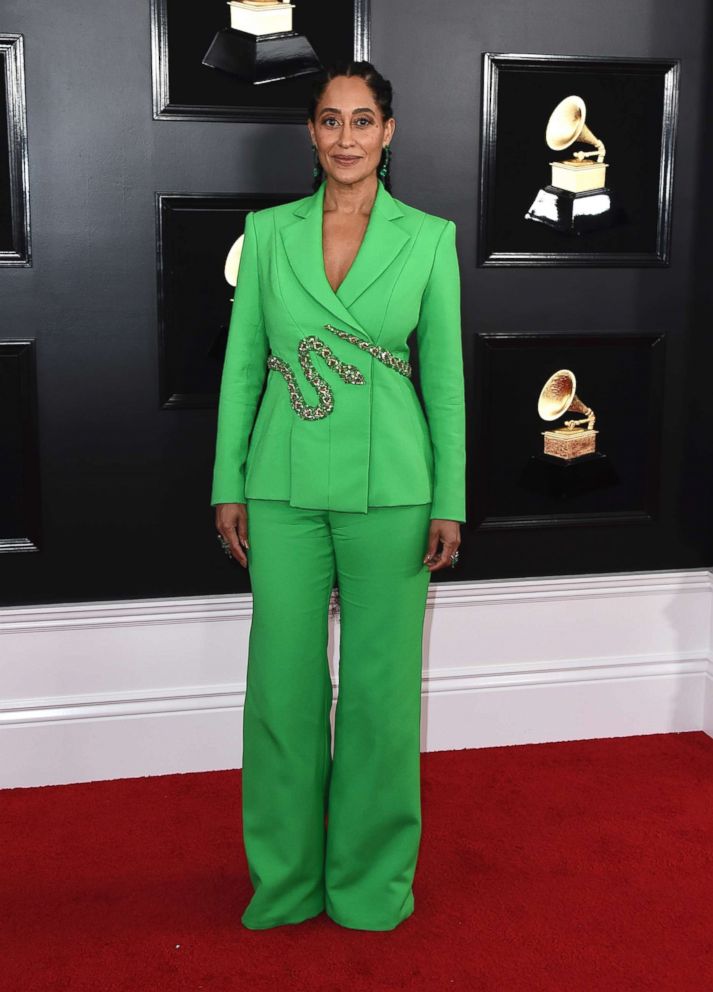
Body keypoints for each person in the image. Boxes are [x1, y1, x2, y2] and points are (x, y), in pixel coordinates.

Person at [211, 59, 466, 932]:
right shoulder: (269, 232)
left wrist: (449, 501)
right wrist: (228, 483)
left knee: (379, 698)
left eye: (363, 121)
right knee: (280, 694)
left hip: (394, 492)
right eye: (330, 121)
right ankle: (282, 884)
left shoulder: (428, 238)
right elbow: (243, 368)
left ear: (387, 133)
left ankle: (370, 888)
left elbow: (446, 381)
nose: (346, 138)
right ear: (310, 134)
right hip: (279, 487)